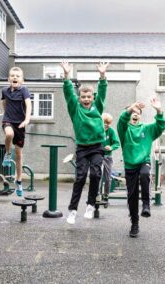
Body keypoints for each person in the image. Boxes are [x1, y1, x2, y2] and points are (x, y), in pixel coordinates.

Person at [60, 61, 109, 225]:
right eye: (83, 97)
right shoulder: (75, 108)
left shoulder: (98, 106)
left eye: (89, 97)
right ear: (79, 98)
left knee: (95, 174)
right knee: (80, 177)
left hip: (97, 146)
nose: (86, 99)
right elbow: (68, 93)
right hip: (82, 147)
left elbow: (102, 92)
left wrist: (102, 76)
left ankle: (90, 204)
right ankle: (72, 210)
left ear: (92, 98)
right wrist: (66, 76)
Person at [117, 99, 165, 238]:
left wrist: (158, 111)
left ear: (140, 115)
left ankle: (146, 204)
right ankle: (134, 223)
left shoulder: (147, 129)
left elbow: (161, 126)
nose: (135, 113)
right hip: (130, 165)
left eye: (137, 112)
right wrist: (129, 109)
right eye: (132, 111)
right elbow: (121, 120)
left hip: (144, 162)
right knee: (131, 196)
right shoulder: (124, 130)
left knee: (145, 174)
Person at [1, 67, 32, 197]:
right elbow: (4, 103)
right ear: (9, 79)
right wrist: (5, 114)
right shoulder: (4, 90)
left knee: (19, 154)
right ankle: (7, 154)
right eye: (12, 76)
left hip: (20, 123)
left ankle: (18, 180)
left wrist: (27, 119)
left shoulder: (24, 90)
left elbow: (28, 105)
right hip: (8, 120)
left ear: (22, 80)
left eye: (17, 76)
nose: (14, 77)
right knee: (9, 134)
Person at [99, 113, 120, 202]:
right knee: (97, 175)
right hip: (98, 156)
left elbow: (116, 143)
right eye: (104, 122)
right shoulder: (97, 130)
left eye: (107, 123)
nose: (106, 124)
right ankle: (96, 194)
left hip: (108, 157)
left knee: (107, 177)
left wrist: (111, 147)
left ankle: (106, 194)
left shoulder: (111, 131)